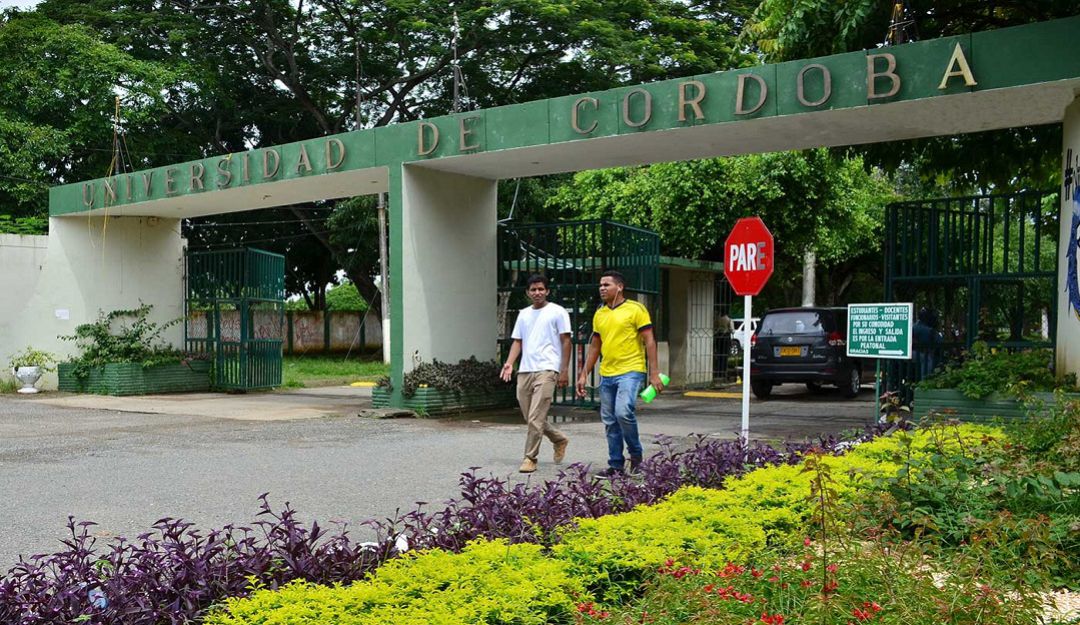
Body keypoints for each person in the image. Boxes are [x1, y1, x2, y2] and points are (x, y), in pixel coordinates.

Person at [575, 270, 664, 476]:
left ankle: (636, 455)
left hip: (631, 370)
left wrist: (654, 373)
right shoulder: (600, 313)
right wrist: (583, 373)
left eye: (607, 285)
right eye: (600, 285)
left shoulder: (636, 309)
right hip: (607, 373)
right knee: (610, 420)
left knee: (623, 412)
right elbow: (595, 346)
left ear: (620, 287)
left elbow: (649, 340)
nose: (602, 288)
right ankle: (616, 465)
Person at [500, 274, 571, 473]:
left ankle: (530, 458)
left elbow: (566, 341)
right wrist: (509, 363)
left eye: (541, 289)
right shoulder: (523, 314)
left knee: (535, 416)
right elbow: (517, 341)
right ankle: (558, 438)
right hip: (525, 370)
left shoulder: (558, 312)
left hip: (547, 369)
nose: (537, 292)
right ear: (527, 293)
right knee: (530, 416)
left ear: (547, 291)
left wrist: (564, 370)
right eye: (533, 289)